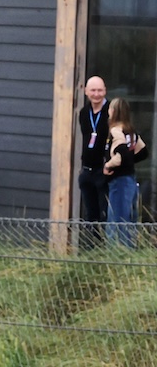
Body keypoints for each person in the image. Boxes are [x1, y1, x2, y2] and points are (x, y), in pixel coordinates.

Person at [102, 97, 146, 247]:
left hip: (119, 182)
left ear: (113, 111)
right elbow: (143, 151)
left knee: (117, 221)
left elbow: (120, 154)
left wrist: (108, 165)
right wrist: (129, 162)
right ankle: (129, 252)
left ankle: (117, 255)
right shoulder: (130, 131)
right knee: (129, 220)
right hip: (130, 180)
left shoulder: (116, 131)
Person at [77, 75, 112, 246]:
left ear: (105, 91)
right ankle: (92, 248)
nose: (96, 94)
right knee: (90, 215)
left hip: (104, 171)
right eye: (93, 90)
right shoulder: (84, 113)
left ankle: (105, 248)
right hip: (87, 170)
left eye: (100, 90)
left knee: (104, 213)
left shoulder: (111, 111)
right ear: (86, 92)